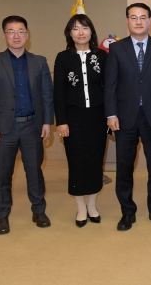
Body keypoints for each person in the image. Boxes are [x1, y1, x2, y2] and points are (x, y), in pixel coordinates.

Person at [0, 15, 54, 235]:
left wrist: (47, 122)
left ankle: (38, 210)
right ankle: (2, 215)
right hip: (4, 129)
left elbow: (47, 95)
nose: (16, 36)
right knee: (3, 174)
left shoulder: (39, 61)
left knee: (35, 171)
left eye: (21, 31)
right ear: (4, 36)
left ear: (27, 35)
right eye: (11, 32)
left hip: (32, 127)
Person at [105, 3, 151, 231]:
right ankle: (127, 211)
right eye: (134, 17)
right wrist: (111, 114)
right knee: (124, 166)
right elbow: (110, 84)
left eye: (143, 17)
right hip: (124, 117)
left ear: (150, 21)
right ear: (127, 21)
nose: (139, 21)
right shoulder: (117, 49)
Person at [54, 14, 108, 227]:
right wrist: (61, 121)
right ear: (69, 33)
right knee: (76, 162)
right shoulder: (63, 58)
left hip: (97, 117)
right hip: (73, 118)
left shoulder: (102, 56)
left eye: (85, 28)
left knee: (95, 160)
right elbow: (58, 92)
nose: (81, 32)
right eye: (75, 28)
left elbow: (108, 88)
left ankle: (92, 204)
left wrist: (110, 117)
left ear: (91, 31)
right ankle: (80, 207)